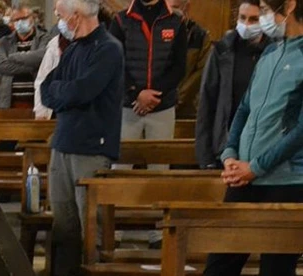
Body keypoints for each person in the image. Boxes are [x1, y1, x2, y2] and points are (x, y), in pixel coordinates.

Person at [202, 0, 303, 276]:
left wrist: (256, 166)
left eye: (263, 7)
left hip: (285, 184)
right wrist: (230, 152)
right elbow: (244, 109)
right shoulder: (271, 52)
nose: (261, 15)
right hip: (243, 179)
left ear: (289, 6)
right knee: (219, 270)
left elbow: (299, 131)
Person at [40, 0, 123, 276]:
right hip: (62, 142)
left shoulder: (108, 49)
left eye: (61, 15)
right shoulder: (73, 48)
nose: (59, 21)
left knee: (91, 222)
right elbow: (47, 88)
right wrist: (64, 94)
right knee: (64, 222)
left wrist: (64, 94)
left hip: (91, 145)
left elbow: (83, 91)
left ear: (76, 16)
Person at [110, 0, 186, 247]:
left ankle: (158, 234)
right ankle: (115, 230)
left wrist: (155, 95)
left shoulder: (175, 21)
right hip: (127, 106)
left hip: (161, 107)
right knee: (120, 170)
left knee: (160, 170)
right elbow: (115, 62)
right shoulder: (121, 20)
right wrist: (136, 93)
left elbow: (179, 66)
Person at [195, 0, 269, 169]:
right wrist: (205, 156)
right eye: (242, 18)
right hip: (227, 145)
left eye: (253, 19)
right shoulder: (222, 50)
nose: (246, 24)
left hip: (263, 146)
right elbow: (207, 102)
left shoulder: (274, 50)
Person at [0, 1, 49, 108]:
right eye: (16, 20)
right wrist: (33, 67)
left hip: (37, 102)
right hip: (7, 102)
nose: (20, 22)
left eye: (23, 18)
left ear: (32, 17)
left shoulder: (44, 38)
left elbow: (42, 57)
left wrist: (15, 57)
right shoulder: (5, 41)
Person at [169, 0, 209, 119]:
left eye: (175, 7)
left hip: (187, 111)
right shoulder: (154, 32)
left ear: (186, 7)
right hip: (156, 108)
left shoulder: (200, 36)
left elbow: (201, 72)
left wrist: (176, 99)